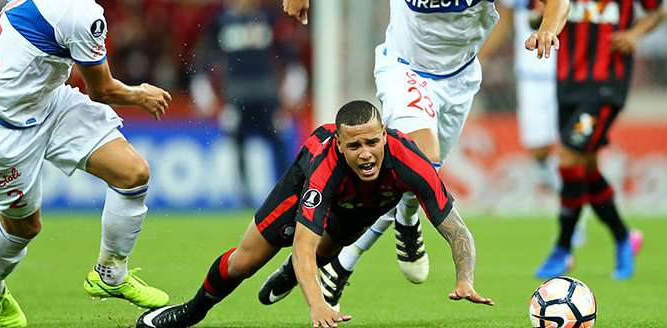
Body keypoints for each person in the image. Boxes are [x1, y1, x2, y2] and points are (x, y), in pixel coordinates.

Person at [279, 0, 569, 308]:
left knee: (420, 177)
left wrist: (550, 26)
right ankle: (353, 256)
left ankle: (376, 242)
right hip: (403, 69)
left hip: (459, 80)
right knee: (424, 158)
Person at [0, 0, 173, 328]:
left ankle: (110, 275)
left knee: (133, 174)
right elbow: (103, 91)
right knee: (24, 228)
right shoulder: (81, 12)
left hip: (48, 102)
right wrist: (142, 95)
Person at [136, 100, 493, 328]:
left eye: (372, 142)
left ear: (385, 135)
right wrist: (318, 305)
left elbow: (456, 230)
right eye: (354, 146)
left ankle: (292, 276)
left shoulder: (412, 163)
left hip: (358, 208)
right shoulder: (325, 171)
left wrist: (465, 278)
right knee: (245, 263)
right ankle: (192, 311)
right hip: (300, 193)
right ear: (339, 144)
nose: (365, 154)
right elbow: (302, 244)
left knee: (327, 253)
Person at [534, 0, 664, 280]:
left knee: (570, 158)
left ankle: (562, 248)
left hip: (608, 82)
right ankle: (625, 237)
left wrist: (636, 33)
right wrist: (539, 25)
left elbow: (656, 8)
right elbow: (536, 8)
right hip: (566, 81)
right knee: (585, 168)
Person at [189, 0, 307, 207]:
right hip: (236, 97)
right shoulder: (220, 21)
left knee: (278, 145)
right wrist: (207, 98)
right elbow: (204, 61)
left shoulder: (270, 16)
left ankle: (286, 197)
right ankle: (244, 201)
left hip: (268, 96)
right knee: (238, 148)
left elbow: (289, 57)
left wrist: (290, 94)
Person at [479, 0, 566, 192]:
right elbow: (505, 18)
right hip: (533, 70)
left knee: (572, 144)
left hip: (572, 69)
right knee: (538, 146)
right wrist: (481, 55)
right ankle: (556, 185)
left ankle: (572, 209)